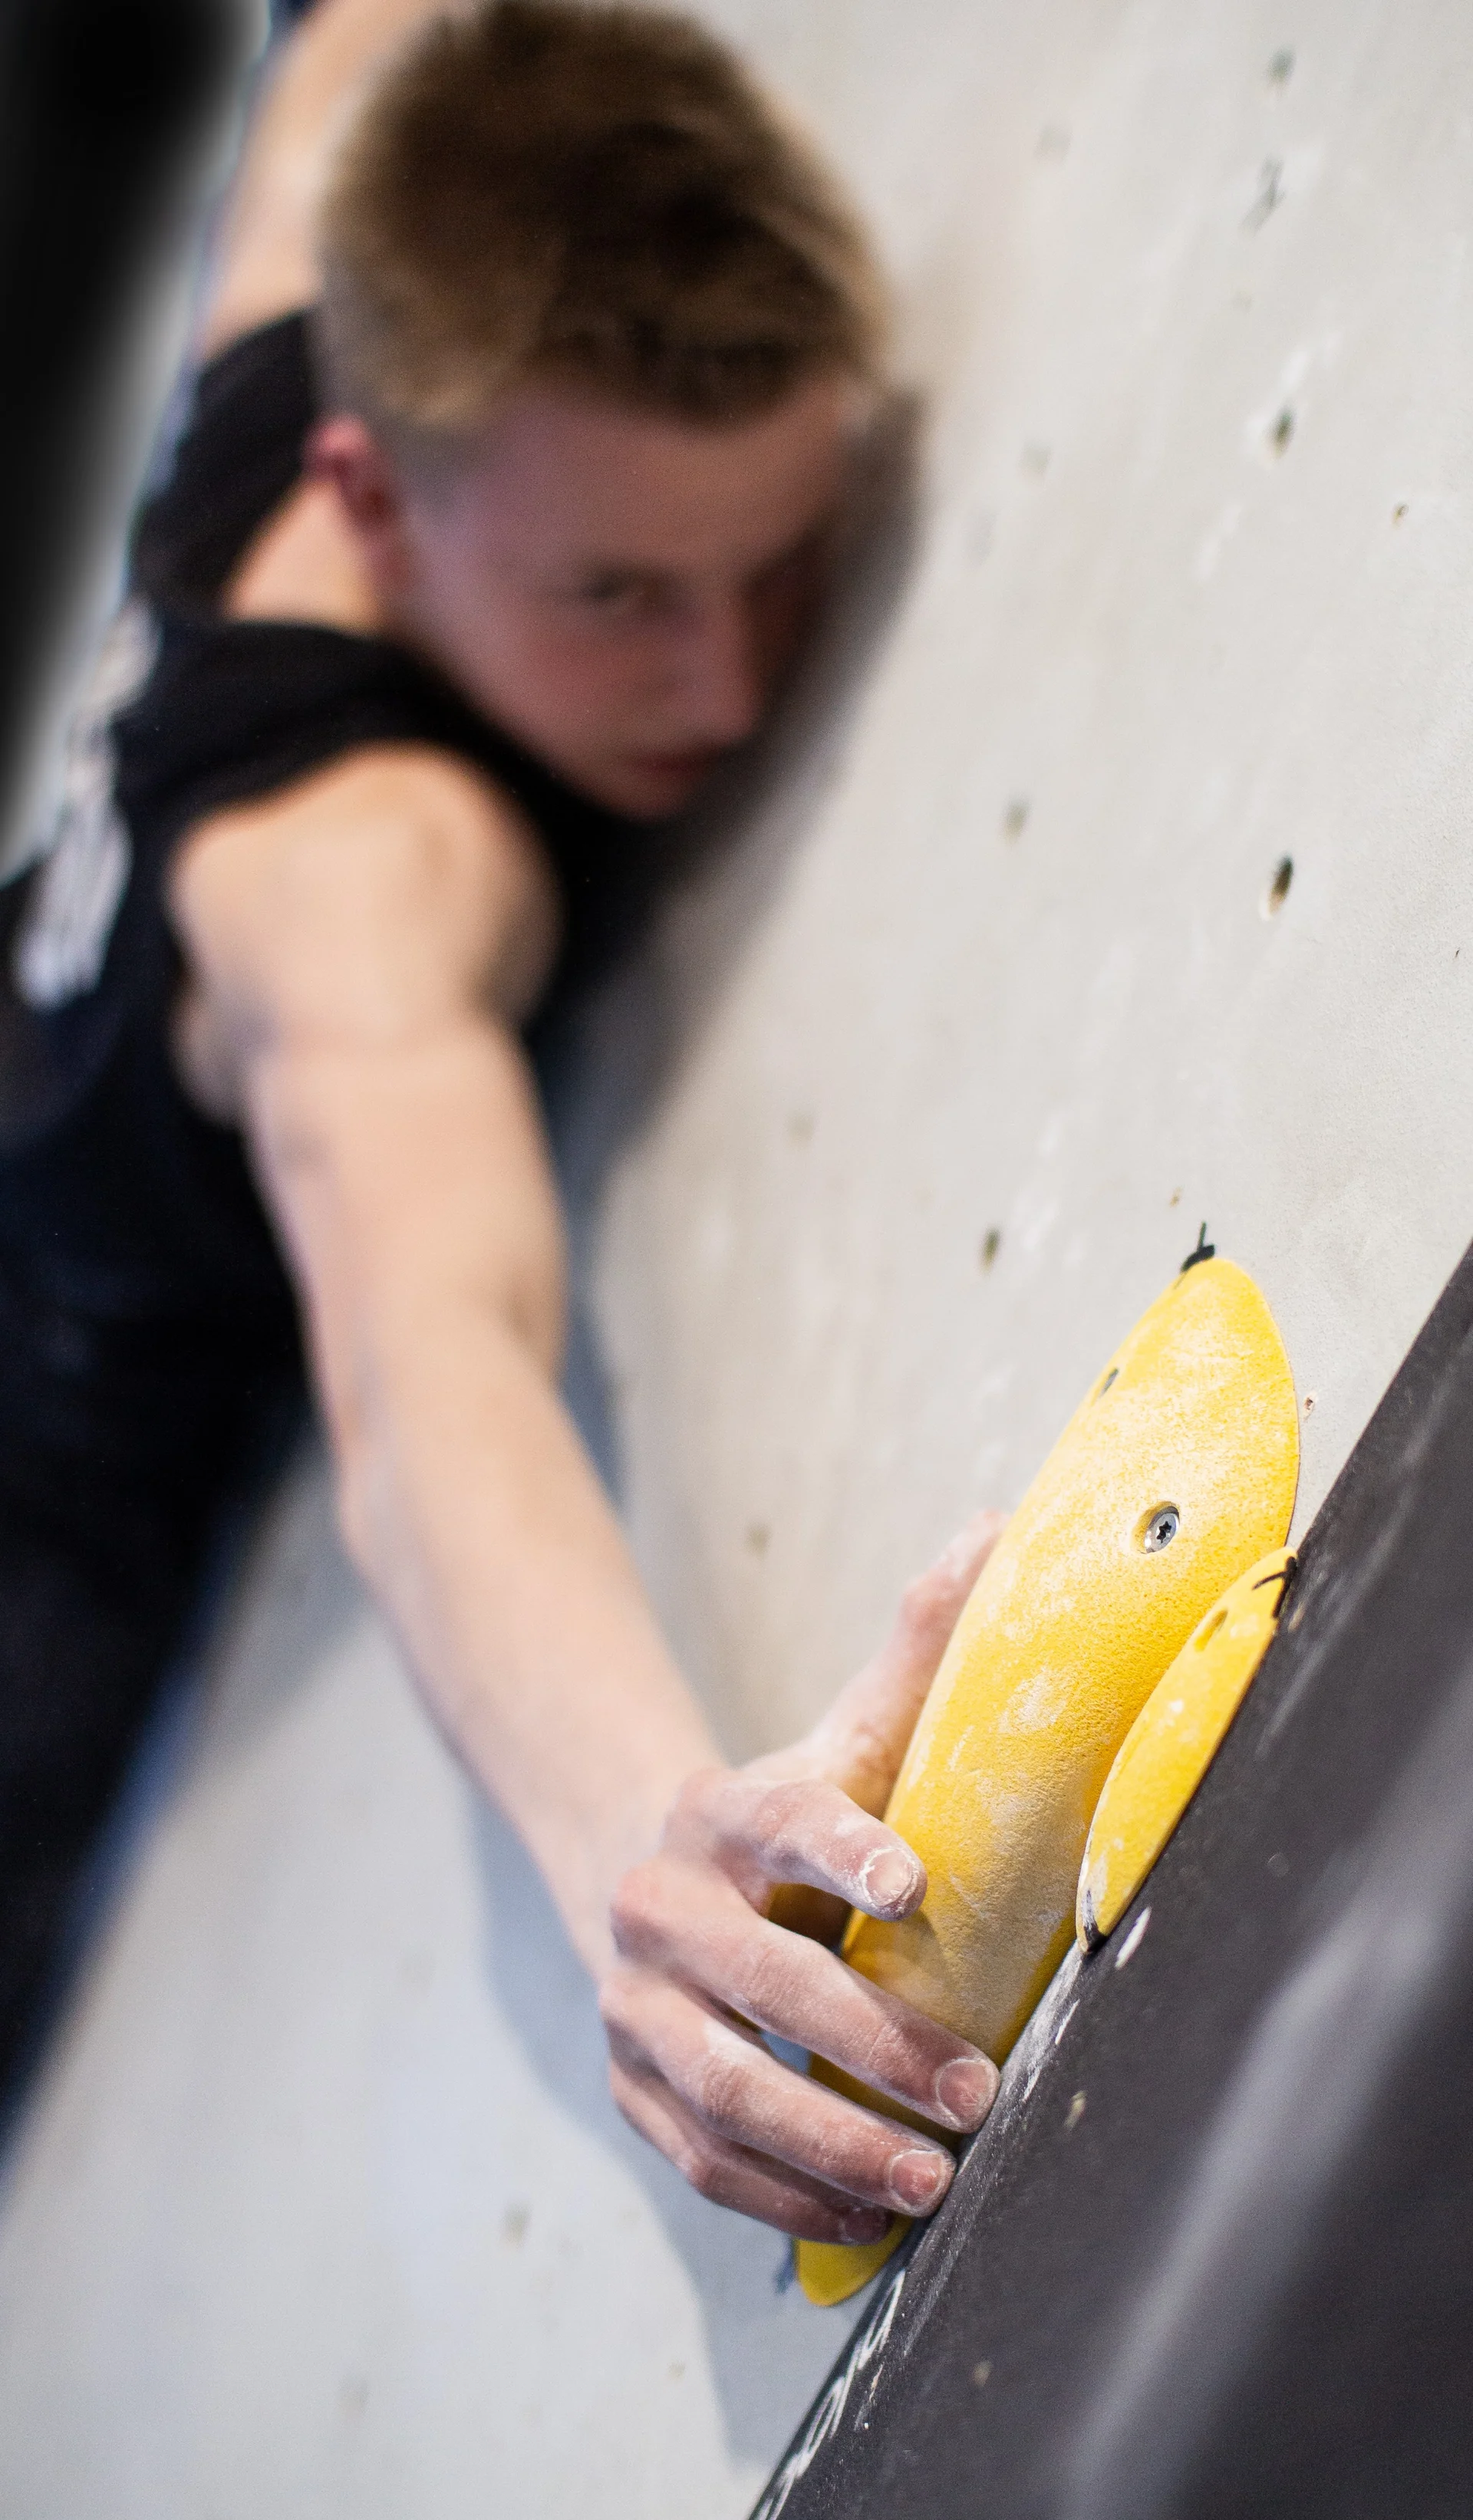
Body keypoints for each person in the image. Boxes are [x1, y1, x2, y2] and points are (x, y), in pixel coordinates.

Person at [0, 0, 1001, 2250]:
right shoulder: (360, 876)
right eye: (623, 598)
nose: (728, 685)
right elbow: (425, 1379)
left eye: (775, 556)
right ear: (370, 493)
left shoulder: (338, 238)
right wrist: (642, 1845)